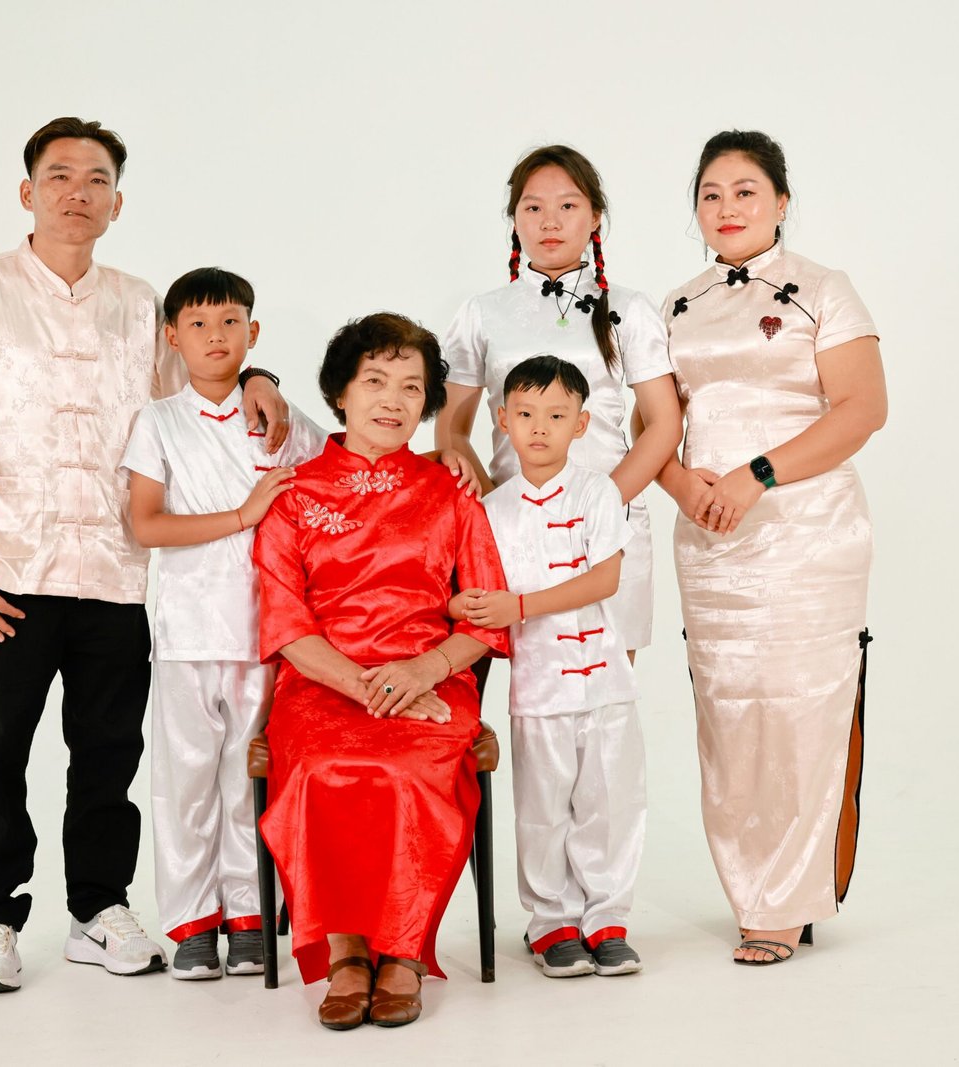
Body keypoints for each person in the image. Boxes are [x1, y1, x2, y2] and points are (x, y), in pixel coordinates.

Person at [0, 117, 290, 994]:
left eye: (98, 178)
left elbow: (203, 382)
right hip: (6, 570)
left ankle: (99, 909)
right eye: (60, 174)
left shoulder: (139, 301)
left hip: (116, 573)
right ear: (28, 191)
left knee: (107, 755)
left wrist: (267, 380)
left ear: (118, 202)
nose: (79, 190)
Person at [654, 130, 887, 965]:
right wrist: (686, 487)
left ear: (782, 201)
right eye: (711, 194)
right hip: (711, 542)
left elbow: (860, 410)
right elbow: (658, 428)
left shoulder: (825, 289)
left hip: (805, 534)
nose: (727, 208)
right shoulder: (674, 306)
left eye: (746, 191)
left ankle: (786, 902)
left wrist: (756, 475)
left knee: (798, 710)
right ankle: (752, 888)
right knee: (730, 714)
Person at [252, 313, 511, 1029]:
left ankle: (402, 950)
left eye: (411, 386)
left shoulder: (451, 490)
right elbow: (285, 624)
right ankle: (345, 952)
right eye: (375, 381)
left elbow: (486, 621)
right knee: (320, 766)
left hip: (432, 678)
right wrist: (363, 684)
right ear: (340, 391)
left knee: (407, 771)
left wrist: (425, 667)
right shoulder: (295, 494)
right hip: (321, 681)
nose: (392, 399)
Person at [120, 267, 328, 981]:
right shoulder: (159, 420)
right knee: (186, 781)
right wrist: (243, 514)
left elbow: (337, 480)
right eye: (199, 324)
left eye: (232, 322)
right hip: (186, 632)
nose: (216, 336)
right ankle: (192, 921)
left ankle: (248, 915)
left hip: (266, 633)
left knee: (249, 777)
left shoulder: (282, 418)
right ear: (171, 336)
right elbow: (146, 524)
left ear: (254, 333)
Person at [437, 144, 682, 660]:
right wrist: (495, 511)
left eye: (568, 206)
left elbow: (663, 423)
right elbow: (452, 431)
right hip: (514, 529)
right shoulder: (482, 313)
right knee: (533, 699)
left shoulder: (628, 310)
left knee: (607, 692)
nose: (550, 221)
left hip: (611, 518)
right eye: (533, 207)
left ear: (595, 216)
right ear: (514, 219)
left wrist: (602, 504)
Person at [454, 355, 647, 979]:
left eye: (557, 415)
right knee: (542, 807)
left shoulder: (600, 492)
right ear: (502, 420)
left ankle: (607, 919)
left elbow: (607, 577)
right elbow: (472, 591)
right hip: (537, 686)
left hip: (607, 680)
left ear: (582, 423)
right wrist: (467, 602)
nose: (541, 428)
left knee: (609, 801)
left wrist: (521, 604)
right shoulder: (490, 509)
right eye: (527, 414)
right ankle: (552, 924)